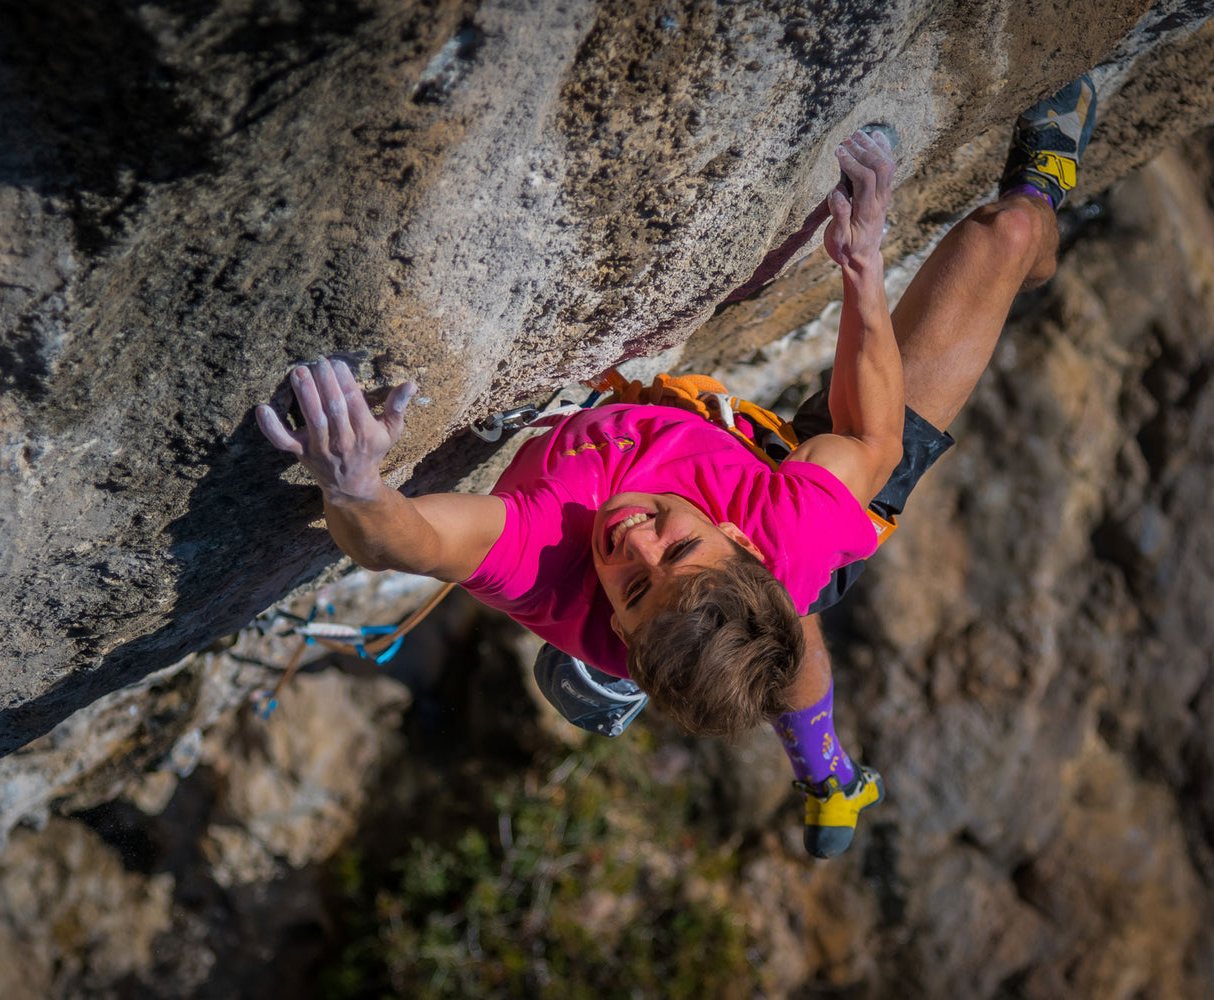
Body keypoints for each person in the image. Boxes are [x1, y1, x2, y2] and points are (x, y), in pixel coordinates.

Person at [256, 75, 1097, 858]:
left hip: (728, 480)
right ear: (743, 540)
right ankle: (829, 775)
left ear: (617, 634)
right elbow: (871, 441)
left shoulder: (548, 562)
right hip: (777, 486)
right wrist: (861, 269)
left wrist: (354, 484)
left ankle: (824, 775)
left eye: (631, 587)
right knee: (1008, 232)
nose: (633, 541)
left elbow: (402, 540)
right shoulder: (798, 532)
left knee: (767, 629)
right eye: (677, 552)